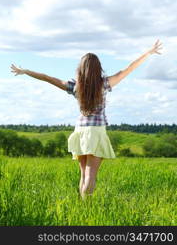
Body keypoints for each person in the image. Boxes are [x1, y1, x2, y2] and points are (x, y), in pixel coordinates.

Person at [11, 39, 163, 199]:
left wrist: (26, 71)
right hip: (96, 132)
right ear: (98, 68)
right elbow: (128, 69)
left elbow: (48, 78)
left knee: (83, 174)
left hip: (80, 131)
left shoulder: (75, 86)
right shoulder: (104, 84)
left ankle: (82, 207)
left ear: (81, 69)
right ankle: (87, 208)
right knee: (91, 174)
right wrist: (148, 52)